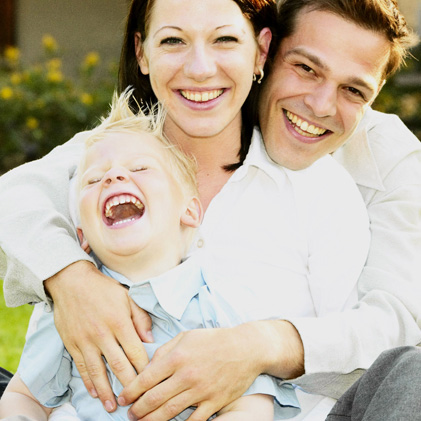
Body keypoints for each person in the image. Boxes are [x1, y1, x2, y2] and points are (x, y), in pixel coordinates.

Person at [0, 0, 420, 420]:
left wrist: (257, 348)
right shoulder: (118, 157)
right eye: (306, 68)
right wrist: (73, 279)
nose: (321, 104)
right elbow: (18, 194)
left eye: (354, 90)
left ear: (258, 50)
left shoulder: (352, 172)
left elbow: (394, 330)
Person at [1, 89, 307, 420]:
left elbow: (251, 406)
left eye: (141, 168)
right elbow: (24, 396)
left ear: (190, 211)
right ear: (81, 237)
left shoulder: (223, 303)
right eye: (93, 179)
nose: (114, 176)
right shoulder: (69, 314)